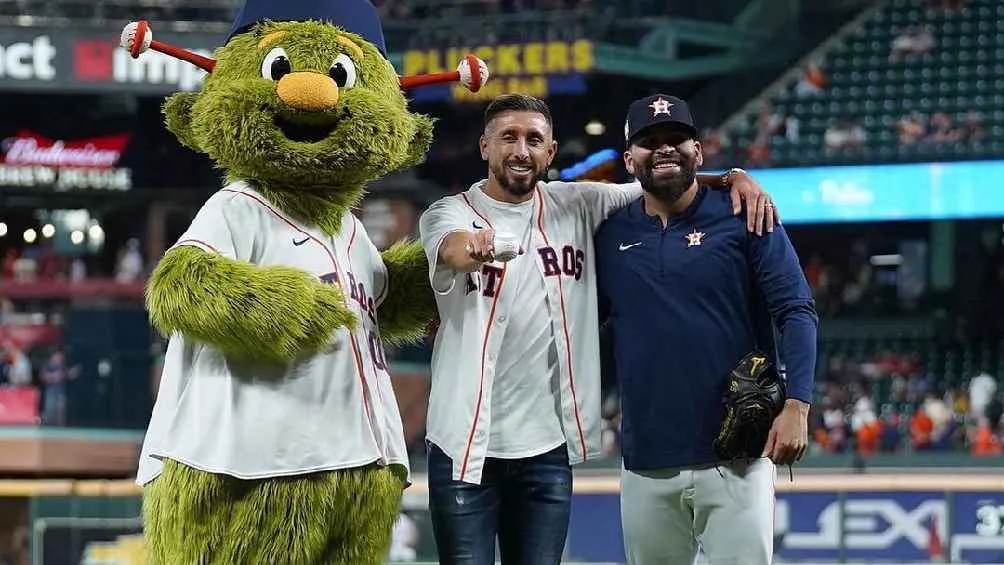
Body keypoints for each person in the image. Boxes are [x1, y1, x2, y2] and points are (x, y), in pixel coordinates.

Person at [417, 93, 780, 565]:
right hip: (464, 446)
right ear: (484, 146)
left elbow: (659, 182)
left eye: (534, 139)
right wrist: (477, 247)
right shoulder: (447, 212)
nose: (521, 150)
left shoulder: (579, 203)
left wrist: (733, 178)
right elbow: (452, 249)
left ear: (550, 152)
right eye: (508, 137)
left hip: (546, 449)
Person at [594, 94, 819, 565]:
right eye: (649, 141)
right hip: (646, 458)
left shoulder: (746, 215)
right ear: (629, 155)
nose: (664, 149)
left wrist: (798, 404)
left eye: (676, 138)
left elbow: (796, 310)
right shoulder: (608, 232)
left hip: (737, 456)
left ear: (699, 149)